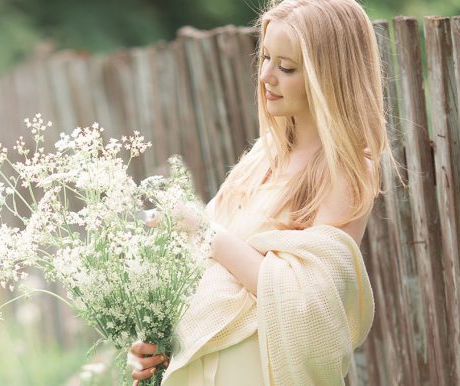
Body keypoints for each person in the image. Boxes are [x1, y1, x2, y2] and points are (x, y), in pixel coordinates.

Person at [129, 0, 399, 384]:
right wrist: (159, 343)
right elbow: (202, 279)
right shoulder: (261, 157)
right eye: (266, 57)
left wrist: (204, 231)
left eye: (286, 67)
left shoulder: (347, 170)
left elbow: (306, 302)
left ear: (329, 78)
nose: (266, 76)